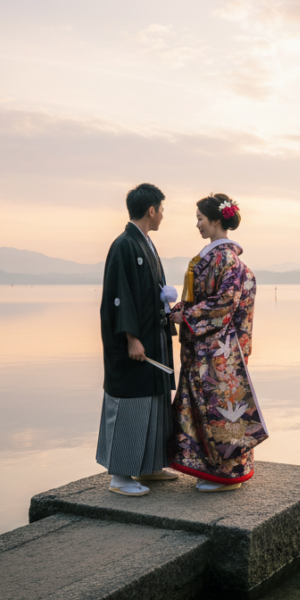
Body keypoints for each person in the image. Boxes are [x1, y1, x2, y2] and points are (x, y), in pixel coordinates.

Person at [169, 193, 268, 492]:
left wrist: (188, 316)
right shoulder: (223, 257)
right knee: (217, 409)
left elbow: (225, 302)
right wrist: (180, 311)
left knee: (220, 410)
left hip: (216, 350)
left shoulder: (223, 257)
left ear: (215, 220)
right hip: (218, 347)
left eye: (200, 219)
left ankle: (226, 475)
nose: (197, 224)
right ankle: (218, 470)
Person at [96, 183, 180, 496]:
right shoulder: (124, 245)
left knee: (153, 402)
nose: (163, 216)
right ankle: (120, 476)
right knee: (131, 402)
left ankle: (148, 467)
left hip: (151, 339)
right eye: (162, 209)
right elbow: (121, 297)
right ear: (151, 210)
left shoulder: (144, 243)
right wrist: (131, 337)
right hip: (136, 344)